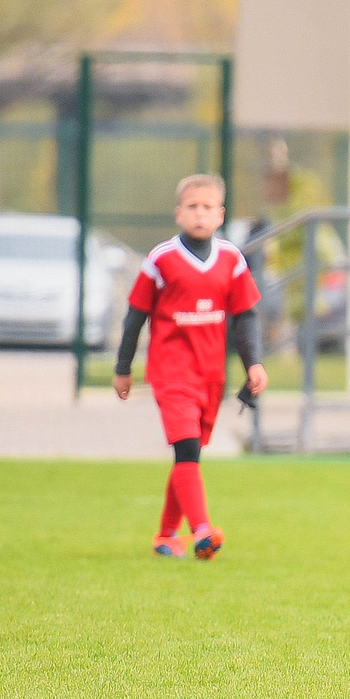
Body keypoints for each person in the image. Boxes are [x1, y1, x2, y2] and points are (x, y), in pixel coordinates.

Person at [113, 174, 267, 559]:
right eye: (192, 207)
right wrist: (122, 367)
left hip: (210, 375)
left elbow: (246, 317)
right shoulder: (160, 259)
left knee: (189, 455)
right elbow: (135, 315)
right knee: (186, 451)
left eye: (208, 207)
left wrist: (255, 363)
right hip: (171, 374)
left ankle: (166, 536)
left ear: (221, 215)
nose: (200, 214)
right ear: (179, 214)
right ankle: (201, 531)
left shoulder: (231, 259)